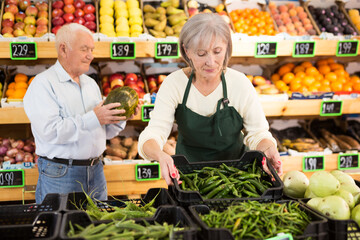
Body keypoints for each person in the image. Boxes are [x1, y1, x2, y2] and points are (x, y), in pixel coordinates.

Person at [138, 13, 282, 185]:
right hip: (189, 180)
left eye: (217, 51)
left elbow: (258, 134)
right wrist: (160, 155)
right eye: (201, 53)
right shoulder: (174, 84)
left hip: (239, 180)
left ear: (227, 47)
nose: (211, 62)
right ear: (187, 51)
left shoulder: (239, 83)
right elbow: (153, 134)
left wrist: (269, 149)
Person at [24, 23, 138, 204]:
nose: (90, 56)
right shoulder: (43, 85)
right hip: (61, 174)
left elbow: (103, 132)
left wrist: (119, 118)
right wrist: (94, 117)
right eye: (84, 49)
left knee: (97, 226)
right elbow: (51, 132)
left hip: (96, 171)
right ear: (63, 49)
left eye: (91, 50)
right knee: (60, 228)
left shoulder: (90, 85)